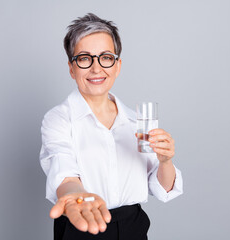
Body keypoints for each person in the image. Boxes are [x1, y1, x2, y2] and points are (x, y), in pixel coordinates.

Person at [40, 13, 183, 240]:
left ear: (117, 66)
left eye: (105, 57)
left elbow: (162, 188)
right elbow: (64, 174)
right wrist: (77, 197)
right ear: (71, 68)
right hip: (82, 225)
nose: (96, 69)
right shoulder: (59, 119)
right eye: (85, 58)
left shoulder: (137, 122)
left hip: (133, 228)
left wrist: (165, 160)